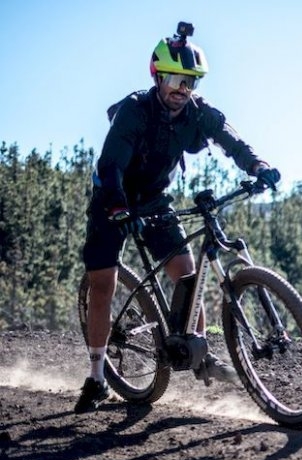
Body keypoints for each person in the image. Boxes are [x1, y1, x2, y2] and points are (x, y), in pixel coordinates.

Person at [75, 22, 280, 414]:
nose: (182, 89)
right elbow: (110, 164)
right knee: (103, 283)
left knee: (187, 273)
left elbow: (230, 139)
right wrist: (118, 208)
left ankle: (198, 349)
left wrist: (258, 165)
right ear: (157, 75)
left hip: (154, 200)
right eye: (175, 79)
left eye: (191, 82)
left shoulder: (196, 113)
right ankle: (97, 376)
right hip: (112, 200)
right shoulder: (135, 110)